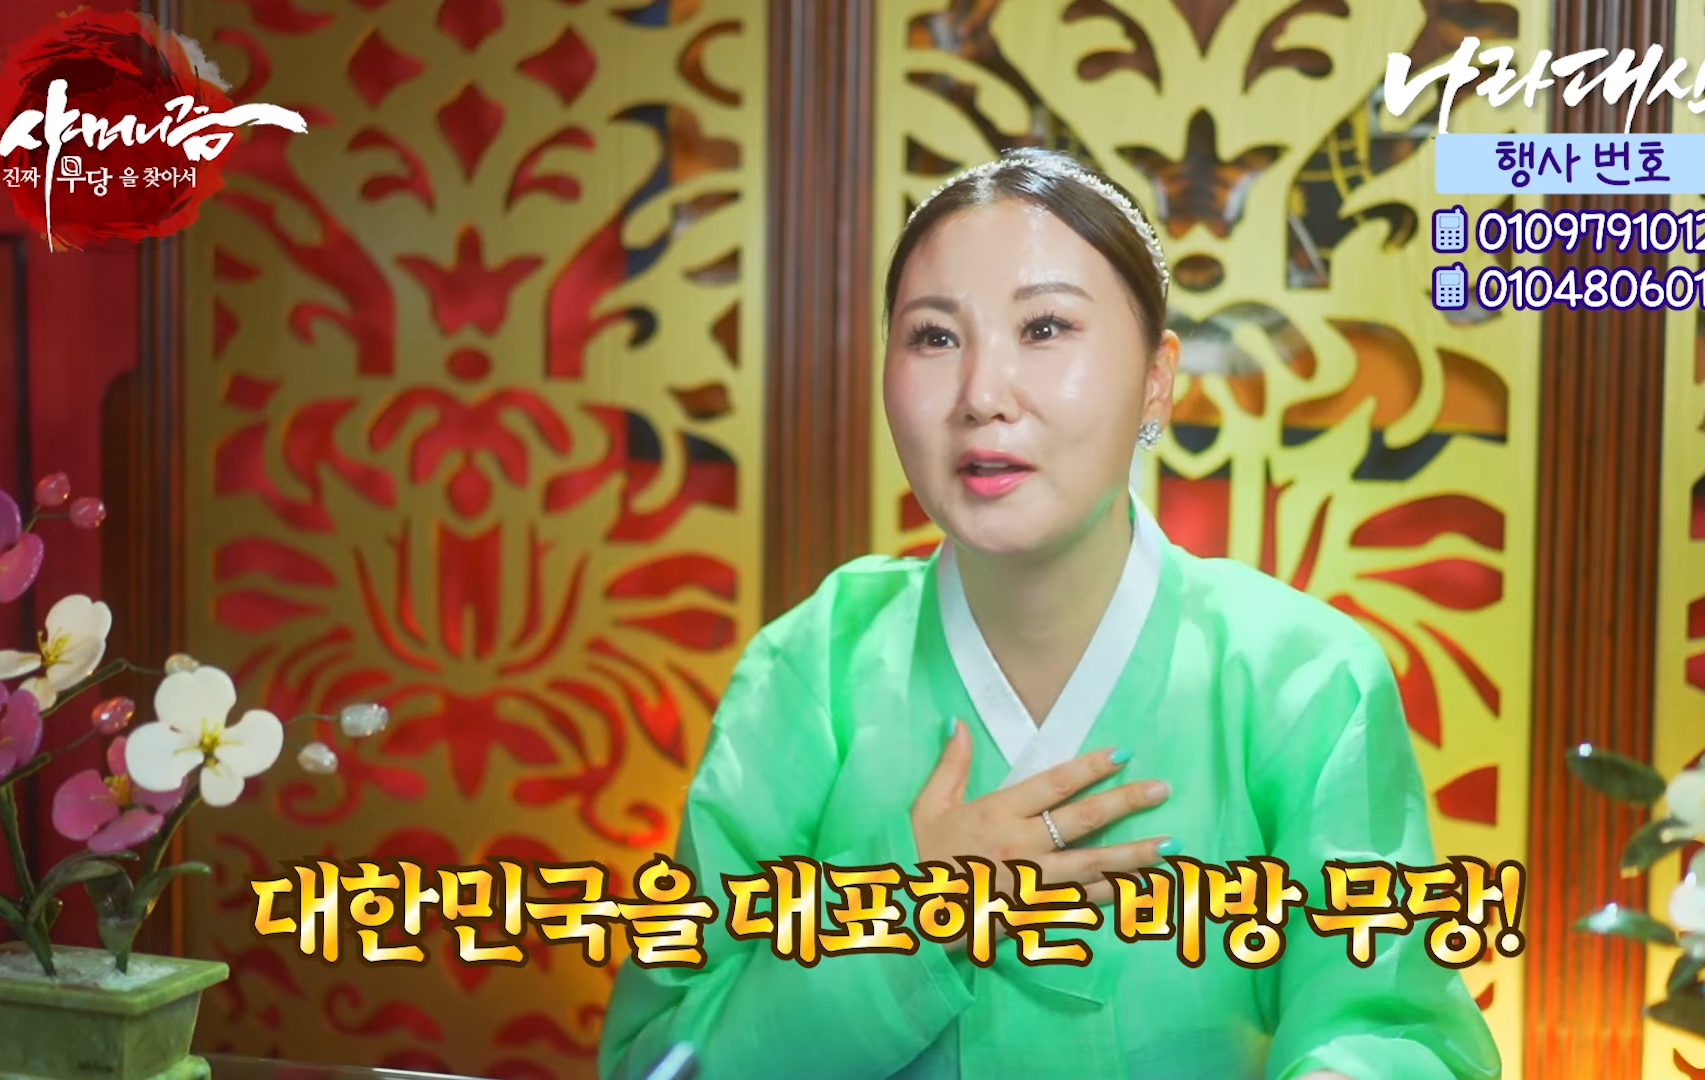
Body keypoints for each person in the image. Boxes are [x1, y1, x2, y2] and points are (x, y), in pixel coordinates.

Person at [596, 148, 1503, 1080]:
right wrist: (899, 914)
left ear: (1156, 380)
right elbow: (659, 1061)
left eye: (1045, 327)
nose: (982, 396)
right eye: (934, 337)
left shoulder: (1301, 680)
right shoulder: (813, 669)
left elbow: (1391, 1029)